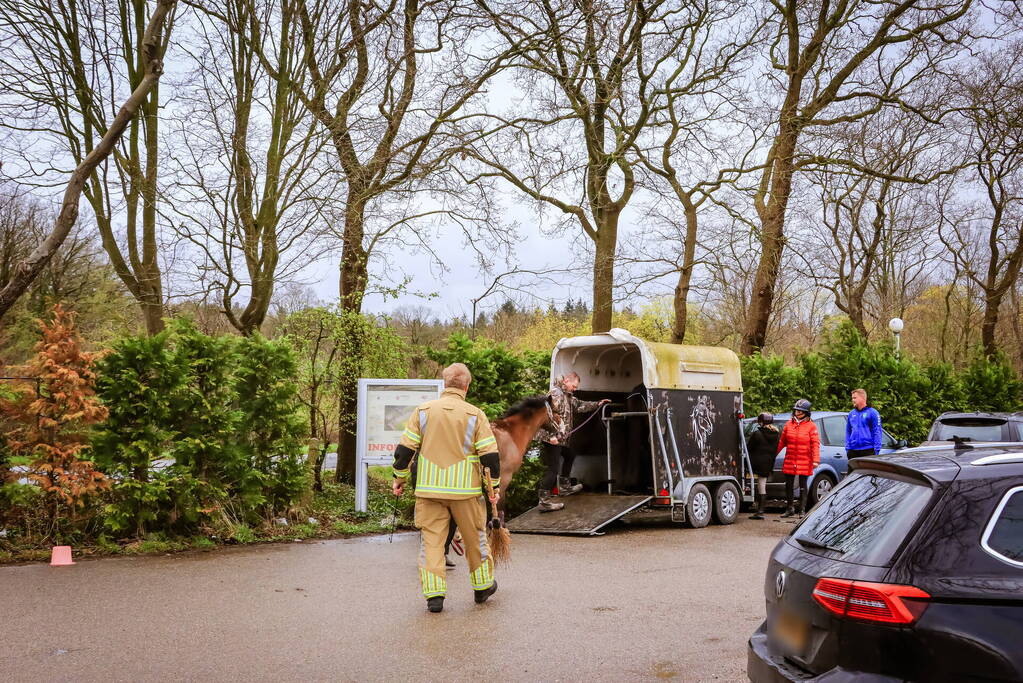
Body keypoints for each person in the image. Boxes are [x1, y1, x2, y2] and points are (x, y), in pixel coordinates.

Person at [391, 363, 501, 613]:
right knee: (475, 539)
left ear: (444, 384)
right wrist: (493, 488)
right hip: (466, 492)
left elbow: (405, 450)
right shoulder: (475, 415)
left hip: (429, 491)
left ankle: (434, 596)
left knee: (431, 542)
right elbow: (490, 456)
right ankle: (483, 586)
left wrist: (399, 478)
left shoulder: (422, 411)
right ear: (467, 386)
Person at [534, 372, 610, 512]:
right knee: (553, 469)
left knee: (570, 455)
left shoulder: (567, 396)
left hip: (561, 438)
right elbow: (547, 416)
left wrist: (597, 404)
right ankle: (544, 501)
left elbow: (579, 405)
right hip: (551, 438)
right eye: (574, 386)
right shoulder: (555, 394)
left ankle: (564, 486)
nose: (575, 389)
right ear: (567, 381)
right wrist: (552, 436)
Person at [777, 399, 819, 518]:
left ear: (806, 413)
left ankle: (802, 510)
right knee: (788, 485)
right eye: (796, 410)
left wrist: (816, 460)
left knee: (802, 485)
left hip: (805, 459)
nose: (797, 412)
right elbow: (782, 442)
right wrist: (773, 455)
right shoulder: (788, 424)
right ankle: (789, 508)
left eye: (800, 411)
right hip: (790, 458)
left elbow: (815, 444)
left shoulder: (811, 426)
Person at [746, 412, 780, 520]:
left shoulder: (757, 434)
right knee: (762, 484)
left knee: (757, 484)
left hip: (756, 463)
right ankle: (760, 509)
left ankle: (759, 511)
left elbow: (749, 448)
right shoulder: (776, 434)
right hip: (768, 463)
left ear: (760, 422)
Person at [846, 388, 882, 459]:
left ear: (862, 398)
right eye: (852, 398)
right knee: (853, 470)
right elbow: (848, 431)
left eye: (855, 398)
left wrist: (876, 450)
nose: (853, 400)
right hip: (853, 450)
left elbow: (877, 431)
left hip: (868, 450)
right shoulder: (851, 414)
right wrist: (847, 448)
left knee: (867, 470)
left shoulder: (873, 413)